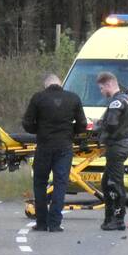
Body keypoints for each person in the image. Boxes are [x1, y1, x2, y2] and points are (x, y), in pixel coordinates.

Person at [22, 74, 88, 232]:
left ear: (46, 85)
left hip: (44, 146)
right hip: (64, 146)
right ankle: (55, 222)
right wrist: (71, 132)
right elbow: (82, 124)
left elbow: (27, 123)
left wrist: (39, 130)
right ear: (60, 84)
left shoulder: (38, 98)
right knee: (60, 183)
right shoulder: (73, 98)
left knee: (40, 183)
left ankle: (42, 222)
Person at [96, 72, 128, 231]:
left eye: (101, 88)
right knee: (107, 182)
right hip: (122, 146)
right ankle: (110, 218)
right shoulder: (126, 99)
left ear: (109, 84)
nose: (101, 92)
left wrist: (98, 128)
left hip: (117, 146)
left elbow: (111, 125)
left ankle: (118, 219)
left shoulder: (116, 103)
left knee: (114, 184)